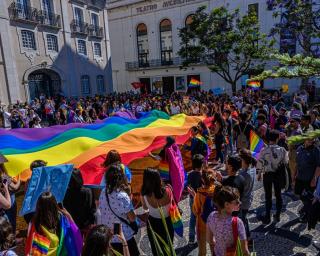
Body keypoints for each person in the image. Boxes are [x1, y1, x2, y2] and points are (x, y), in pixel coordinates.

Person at [98, 164, 139, 255]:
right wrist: (129, 199)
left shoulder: (103, 192)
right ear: (120, 178)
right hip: (123, 237)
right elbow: (132, 218)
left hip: (109, 236)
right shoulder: (122, 196)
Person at [207, 185, 250, 256]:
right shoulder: (237, 222)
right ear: (226, 204)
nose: (240, 203)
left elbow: (209, 240)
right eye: (236, 202)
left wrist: (220, 243)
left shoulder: (211, 216)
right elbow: (245, 251)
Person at [257, 130, 288, 224]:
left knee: (268, 195)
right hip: (278, 174)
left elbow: (260, 163)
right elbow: (286, 162)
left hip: (267, 175)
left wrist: (259, 173)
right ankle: (277, 215)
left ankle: (267, 216)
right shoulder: (282, 150)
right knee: (278, 195)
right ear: (277, 138)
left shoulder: (263, 150)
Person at [140, 168, 174, 256]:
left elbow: (145, 207)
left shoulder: (144, 194)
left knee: (156, 248)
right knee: (169, 246)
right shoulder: (168, 189)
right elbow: (172, 202)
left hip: (153, 223)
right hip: (168, 222)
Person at [63, 169, 96, 237]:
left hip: (71, 225)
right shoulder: (88, 191)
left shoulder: (66, 193)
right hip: (85, 226)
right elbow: (93, 209)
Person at [294, 138, 320, 222]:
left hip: (309, 178)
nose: (310, 141)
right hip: (299, 177)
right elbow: (297, 164)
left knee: (309, 197)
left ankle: (307, 214)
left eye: (312, 139)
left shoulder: (316, 150)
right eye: (308, 139)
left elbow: (318, 166)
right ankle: (305, 207)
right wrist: (294, 175)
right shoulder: (299, 148)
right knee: (298, 194)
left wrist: (314, 179)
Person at [192, 170, 216, 256]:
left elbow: (195, 211)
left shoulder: (199, 193)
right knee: (214, 246)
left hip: (202, 224)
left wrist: (195, 196)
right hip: (214, 223)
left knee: (202, 251)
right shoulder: (217, 190)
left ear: (202, 179)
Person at [238, 149, 256, 240]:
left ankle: (245, 239)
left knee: (242, 221)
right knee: (244, 218)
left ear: (243, 160)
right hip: (248, 199)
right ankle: (248, 236)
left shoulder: (243, 174)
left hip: (243, 201)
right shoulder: (252, 169)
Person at [187, 154, 205, 245]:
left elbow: (187, 186)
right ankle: (201, 237)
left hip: (192, 199)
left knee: (193, 218)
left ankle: (191, 238)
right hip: (201, 199)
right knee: (201, 218)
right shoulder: (203, 174)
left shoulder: (189, 174)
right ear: (202, 164)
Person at [0, 161, 20, 233]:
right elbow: (15, 187)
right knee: (11, 218)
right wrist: (19, 179)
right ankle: (12, 235)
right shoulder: (3, 176)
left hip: (2, 202)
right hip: (9, 198)